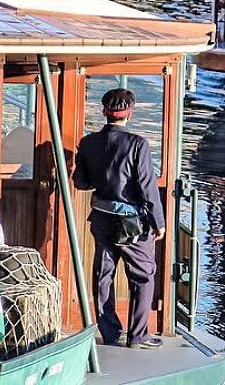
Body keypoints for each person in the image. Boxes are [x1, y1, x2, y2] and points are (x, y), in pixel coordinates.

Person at [73, 88, 166, 350]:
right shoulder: (138, 144)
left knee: (104, 273)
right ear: (130, 113)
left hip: (101, 217)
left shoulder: (88, 142)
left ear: (105, 112)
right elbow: (148, 187)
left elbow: (80, 182)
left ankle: (110, 332)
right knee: (143, 275)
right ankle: (138, 335)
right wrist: (158, 222)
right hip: (132, 223)